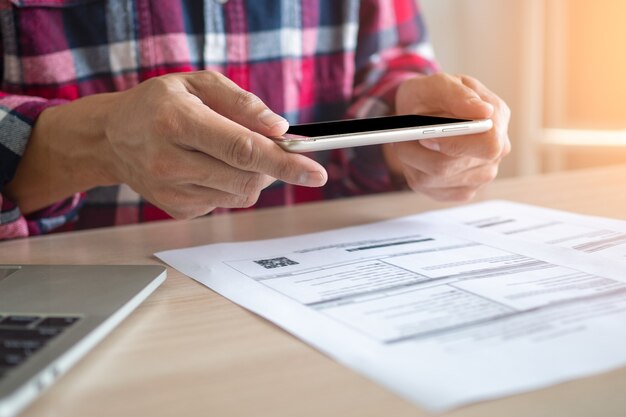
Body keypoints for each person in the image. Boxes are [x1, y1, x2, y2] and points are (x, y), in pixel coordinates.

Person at [0, 0, 510, 240]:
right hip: (86, 296)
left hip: (313, 289)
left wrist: (413, 137)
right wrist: (100, 141)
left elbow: (388, 64)